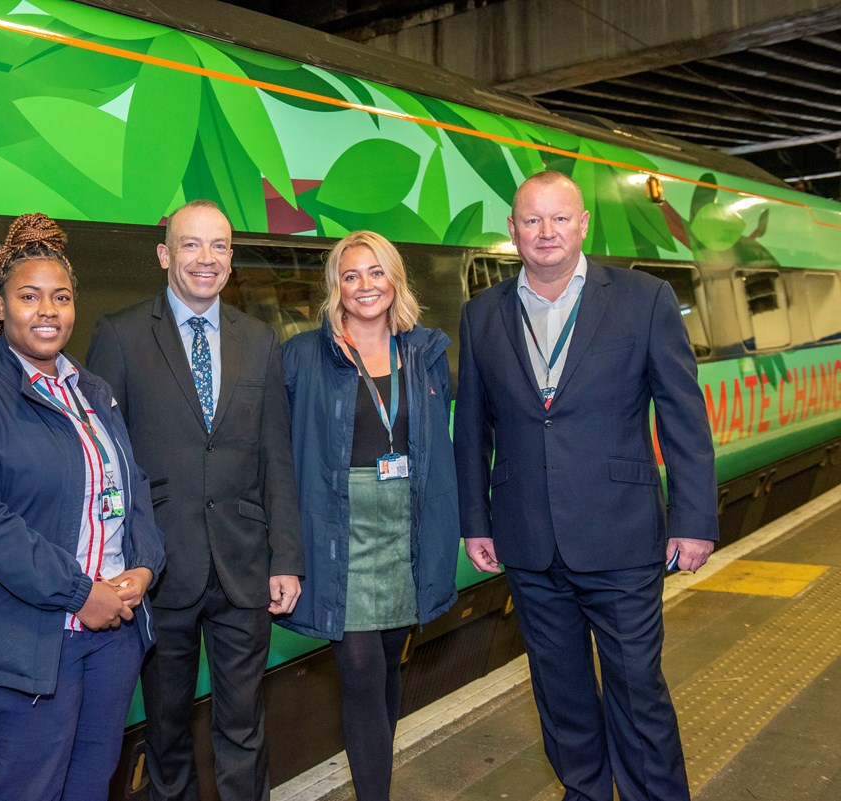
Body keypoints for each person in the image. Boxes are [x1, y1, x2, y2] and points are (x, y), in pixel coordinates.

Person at [454, 170, 718, 801]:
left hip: (622, 535)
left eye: (560, 218)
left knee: (636, 688)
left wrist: (694, 519)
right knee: (559, 689)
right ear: (513, 230)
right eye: (532, 220)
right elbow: (472, 429)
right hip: (528, 539)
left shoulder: (642, 298)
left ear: (583, 226)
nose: (546, 232)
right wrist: (476, 521)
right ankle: (587, 792)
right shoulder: (482, 313)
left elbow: (683, 414)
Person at [0, 213, 165, 801]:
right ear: (0, 306)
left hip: (109, 641)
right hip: (17, 652)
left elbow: (132, 491)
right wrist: (80, 592)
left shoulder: (93, 391)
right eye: (28, 296)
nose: (47, 310)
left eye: (60, 297)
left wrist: (143, 568)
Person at [86, 199, 303, 801]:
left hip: (245, 566)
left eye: (219, 247)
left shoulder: (259, 340)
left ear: (231, 258)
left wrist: (286, 556)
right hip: (158, 567)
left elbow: (276, 457)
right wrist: (115, 563)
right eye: (191, 244)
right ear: (164, 255)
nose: (206, 259)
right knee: (166, 728)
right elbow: (108, 463)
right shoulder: (121, 335)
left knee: (244, 726)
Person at [279, 231, 460, 801]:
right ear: (336, 285)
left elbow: (436, 443)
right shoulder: (305, 355)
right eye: (351, 275)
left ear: (396, 280)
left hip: (406, 528)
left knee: (385, 667)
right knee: (358, 671)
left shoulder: (426, 353)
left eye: (376, 273)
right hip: (339, 529)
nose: (365, 286)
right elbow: (282, 452)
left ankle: (374, 781)